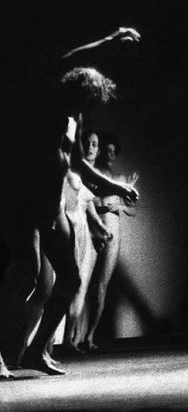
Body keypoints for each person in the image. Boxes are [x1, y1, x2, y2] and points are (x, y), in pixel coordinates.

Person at [0, 27, 141, 377]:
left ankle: (35, 352)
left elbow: (78, 163)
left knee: (71, 280)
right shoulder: (47, 99)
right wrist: (111, 40)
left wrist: (116, 186)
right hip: (23, 202)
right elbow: (70, 58)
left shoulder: (73, 118)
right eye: (84, 103)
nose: (85, 111)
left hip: (52, 207)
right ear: (74, 92)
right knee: (27, 273)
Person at [60, 130, 113, 354]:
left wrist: (99, 228)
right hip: (68, 229)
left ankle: (73, 338)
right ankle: (54, 342)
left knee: (80, 285)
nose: (90, 147)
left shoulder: (89, 175)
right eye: (87, 143)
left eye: (94, 144)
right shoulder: (71, 170)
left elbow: (89, 203)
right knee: (62, 285)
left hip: (86, 234)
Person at [83, 132, 137, 351]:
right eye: (107, 150)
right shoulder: (93, 175)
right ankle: (73, 338)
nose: (110, 155)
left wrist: (120, 205)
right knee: (82, 283)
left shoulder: (120, 179)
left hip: (113, 233)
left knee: (101, 286)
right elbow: (88, 198)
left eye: (113, 152)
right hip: (95, 229)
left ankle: (89, 336)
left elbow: (133, 209)